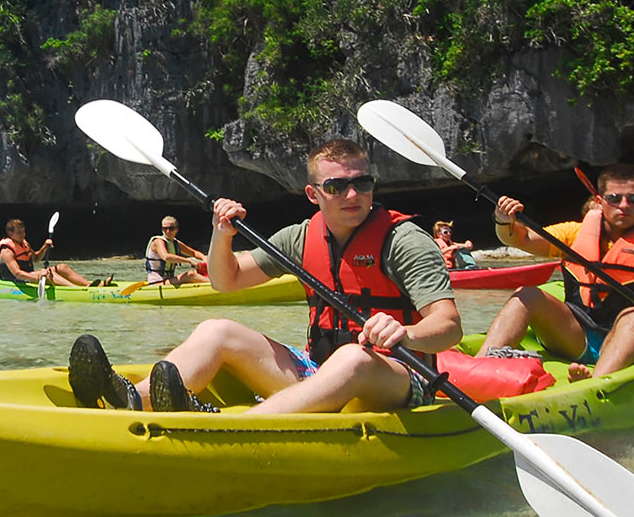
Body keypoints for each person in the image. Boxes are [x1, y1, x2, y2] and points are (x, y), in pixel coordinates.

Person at [69, 138, 461, 414]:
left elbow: (449, 327)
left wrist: (405, 334)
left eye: (362, 183)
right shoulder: (300, 238)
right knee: (216, 330)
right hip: (319, 371)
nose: (352, 194)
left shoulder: (404, 240)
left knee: (353, 358)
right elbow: (226, 281)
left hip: (400, 378)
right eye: (337, 186)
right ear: (314, 194)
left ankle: (236, 427)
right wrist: (222, 234)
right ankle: (132, 399)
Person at [478, 165, 634, 380]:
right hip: (578, 334)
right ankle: (480, 367)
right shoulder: (574, 234)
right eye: (614, 198)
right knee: (527, 295)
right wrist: (503, 220)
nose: (624, 206)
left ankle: (595, 385)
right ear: (600, 200)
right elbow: (520, 239)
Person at [0, 218, 93, 289]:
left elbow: (36, 258)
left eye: (23, 231)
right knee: (47, 274)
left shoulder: (24, 243)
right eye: (19, 232)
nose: (23, 234)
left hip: (29, 274)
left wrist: (45, 247)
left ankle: (89, 285)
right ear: (11, 234)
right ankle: (75, 289)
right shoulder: (6, 251)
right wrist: (38, 276)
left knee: (62, 267)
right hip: (17, 279)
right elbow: (17, 273)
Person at [144, 216, 207, 286]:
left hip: (169, 279)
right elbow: (166, 257)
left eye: (171, 228)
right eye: (165, 228)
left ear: (176, 229)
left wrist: (204, 258)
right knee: (190, 275)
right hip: (157, 282)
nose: (168, 231)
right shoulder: (158, 242)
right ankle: (214, 285)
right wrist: (189, 261)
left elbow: (194, 253)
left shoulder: (175, 243)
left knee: (196, 273)